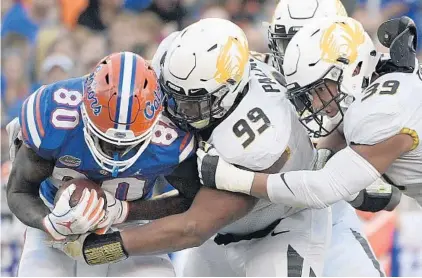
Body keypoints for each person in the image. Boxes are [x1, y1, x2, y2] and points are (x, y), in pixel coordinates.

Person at [48, 18, 332, 277]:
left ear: (227, 94)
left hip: (280, 229)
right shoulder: (178, 67)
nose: (173, 108)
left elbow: (193, 226)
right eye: (171, 93)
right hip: (218, 237)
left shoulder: (263, 135)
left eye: (190, 102)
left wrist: (97, 247)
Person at [197, 16, 422, 217]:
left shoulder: (384, 111)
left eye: (320, 89)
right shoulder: (381, 75)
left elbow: (323, 189)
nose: (315, 103)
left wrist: (233, 179)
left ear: (354, 70)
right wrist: (324, 153)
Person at [6, 51, 198, 276]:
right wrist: (49, 223)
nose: (115, 150)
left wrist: (124, 211)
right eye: (104, 139)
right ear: (85, 110)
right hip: (53, 214)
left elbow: (193, 200)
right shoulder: (55, 115)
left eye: (129, 144)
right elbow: (19, 191)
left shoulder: (172, 132)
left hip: (131, 224)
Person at [250, 1, 393, 276]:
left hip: (326, 216)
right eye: (289, 41)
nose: (296, 53)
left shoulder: (357, 85)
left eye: (307, 40)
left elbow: (384, 191)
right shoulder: (250, 74)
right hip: (248, 222)